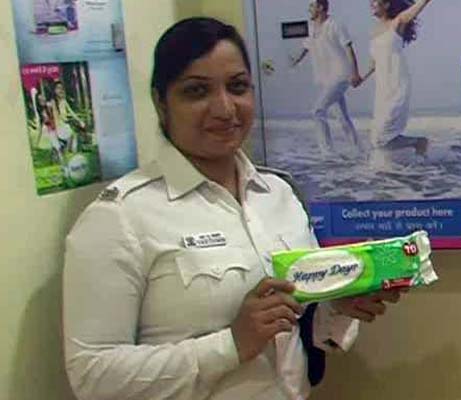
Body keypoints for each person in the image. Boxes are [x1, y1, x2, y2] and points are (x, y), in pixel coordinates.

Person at [63, 17, 402, 400]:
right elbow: (91, 375)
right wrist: (231, 345)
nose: (225, 108)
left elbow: (300, 329)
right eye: (197, 91)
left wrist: (338, 305)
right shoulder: (120, 216)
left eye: (237, 87)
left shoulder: (279, 194)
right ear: (161, 102)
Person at [360, 0, 432, 163]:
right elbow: (374, 63)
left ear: (386, 5)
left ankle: (417, 145)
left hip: (397, 84)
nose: (371, 4)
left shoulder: (397, 22)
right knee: (377, 139)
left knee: (381, 136)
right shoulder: (374, 31)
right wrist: (361, 79)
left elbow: (415, 9)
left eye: (375, 1)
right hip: (382, 88)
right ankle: (415, 145)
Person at [291, 0, 363, 154]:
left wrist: (355, 73)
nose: (309, 9)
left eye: (312, 6)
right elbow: (306, 47)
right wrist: (295, 60)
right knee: (342, 117)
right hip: (326, 78)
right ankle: (359, 151)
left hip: (340, 75)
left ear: (321, 7)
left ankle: (327, 152)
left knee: (318, 110)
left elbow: (349, 49)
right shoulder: (312, 27)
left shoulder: (335, 25)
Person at [52, 80, 85, 154]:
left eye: (61, 88)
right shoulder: (53, 102)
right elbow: (56, 117)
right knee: (72, 132)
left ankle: (66, 147)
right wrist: (64, 122)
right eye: (58, 88)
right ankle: (64, 147)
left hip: (65, 125)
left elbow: (71, 112)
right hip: (59, 127)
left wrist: (79, 120)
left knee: (75, 135)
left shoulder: (63, 101)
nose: (60, 90)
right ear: (54, 90)